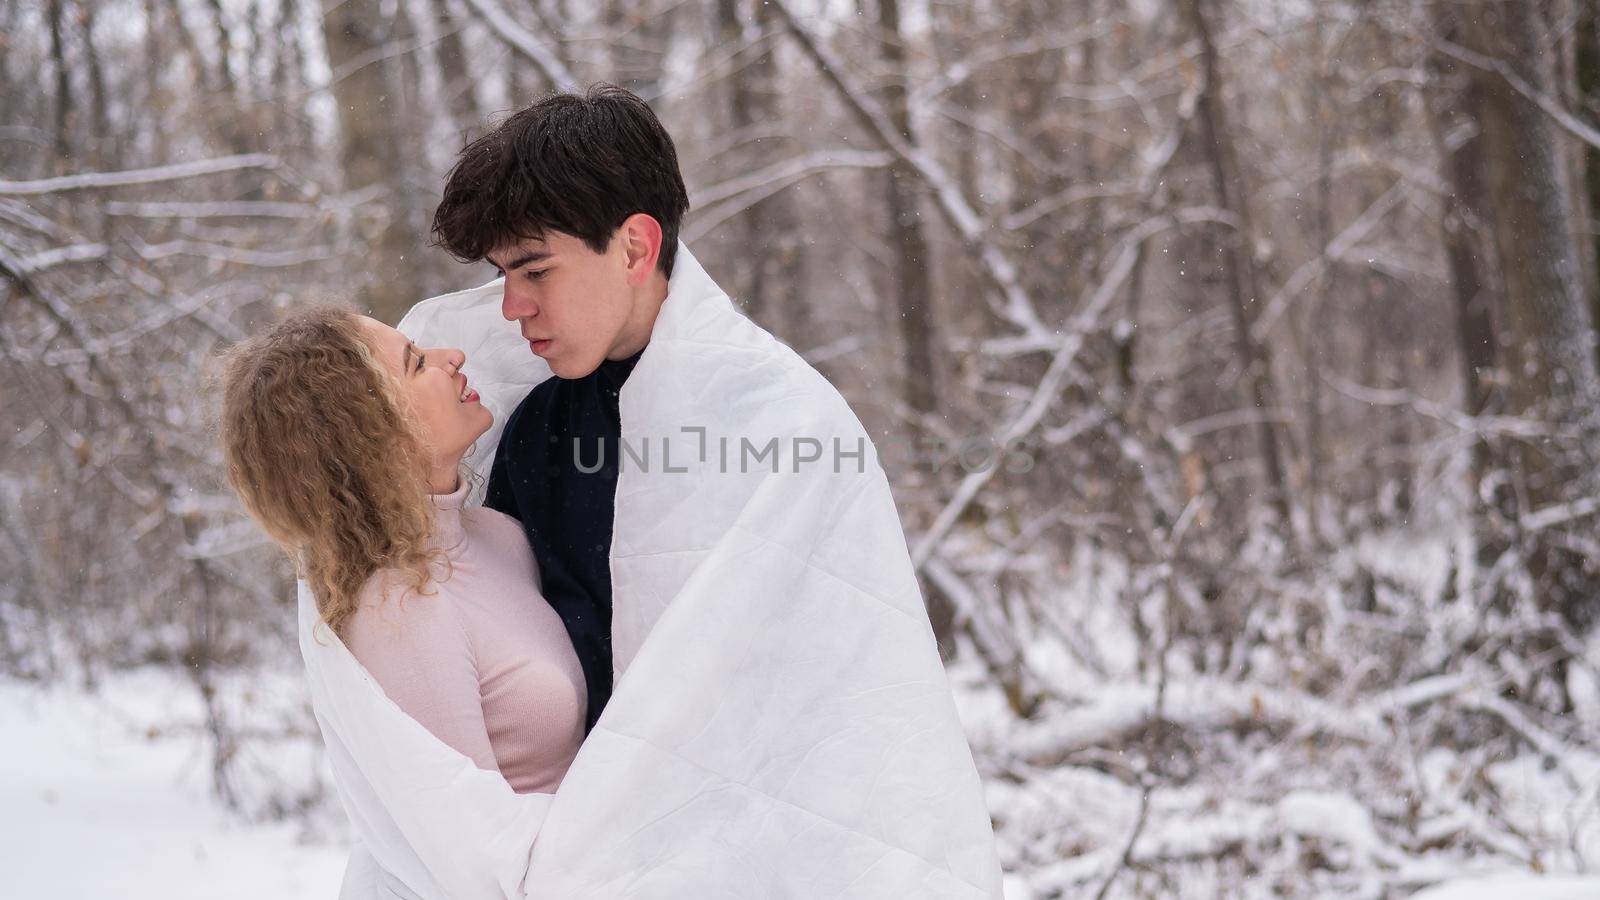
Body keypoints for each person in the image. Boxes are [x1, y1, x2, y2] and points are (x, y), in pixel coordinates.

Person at [218, 309, 587, 796]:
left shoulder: (500, 536)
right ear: (370, 431)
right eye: (416, 363)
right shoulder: (400, 613)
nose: (452, 357)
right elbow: (465, 847)